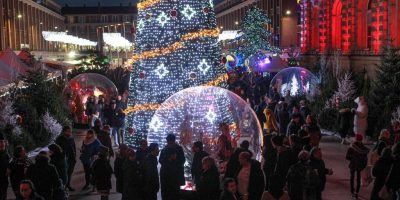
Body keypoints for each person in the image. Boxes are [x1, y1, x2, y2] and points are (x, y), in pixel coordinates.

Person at [346, 134, 369, 199]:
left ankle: (352, 191)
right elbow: (365, 158)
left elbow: (347, 157)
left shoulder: (351, 147)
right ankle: (356, 192)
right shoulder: (363, 148)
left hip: (353, 164)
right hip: (359, 165)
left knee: (352, 178)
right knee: (358, 179)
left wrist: (352, 158)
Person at [55, 126, 76, 191]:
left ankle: (68, 185)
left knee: (69, 173)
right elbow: (56, 150)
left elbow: (74, 148)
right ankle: (62, 187)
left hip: (71, 159)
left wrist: (75, 157)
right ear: (64, 131)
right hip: (63, 160)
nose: (70, 132)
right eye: (68, 131)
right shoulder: (59, 139)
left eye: (70, 131)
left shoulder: (71, 138)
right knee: (63, 174)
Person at [0, 133, 10, 200]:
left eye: (2, 142)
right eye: (0, 142)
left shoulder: (6, 155)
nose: (2, 144)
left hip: (4, 184)